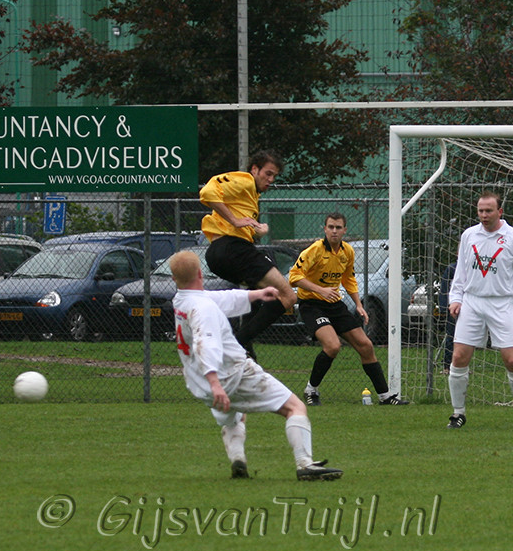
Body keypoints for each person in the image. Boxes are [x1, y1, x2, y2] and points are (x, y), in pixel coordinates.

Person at [169, 250, 342, 481]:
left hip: (200, 383)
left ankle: (238, 461)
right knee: (295, 407)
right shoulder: (203, 308)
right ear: (201, 273)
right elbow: (205, 343)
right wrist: (215, 382)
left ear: (174, 279)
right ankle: (305, 464)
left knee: (235, 416)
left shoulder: (183, 300)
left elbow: (219, 299)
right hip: (231, 374)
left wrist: (256, 294)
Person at [289, 212, 409, 406]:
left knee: (365, 345)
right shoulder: (314, 250)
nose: (334, 231)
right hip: (312, 304)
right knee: (333, 346)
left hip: (334, 304)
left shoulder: (347, 251)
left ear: (345, 230)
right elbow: (294, 277)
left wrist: (359, 305)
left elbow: (348, 279)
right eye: (330, 227)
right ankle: (311, 390)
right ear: (324, 229)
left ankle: (385, 396)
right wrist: (320, 290)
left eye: (338, 227)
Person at [446, 191, 513, 429]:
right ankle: (458, 413)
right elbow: (461, 271)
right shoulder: (469, 235)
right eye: (480, 211)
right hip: (472, 301)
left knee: (512, 360)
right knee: (458, 357)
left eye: (489, 210)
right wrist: (456, 298)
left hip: (502, 303)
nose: (484, 215)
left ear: (500, 212)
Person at [199, 150, 297, 361]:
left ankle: (245, 352)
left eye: (274, 176)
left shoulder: (251, 194)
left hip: (218, 254)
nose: (271, 180)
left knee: (259, 294)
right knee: (288, 296)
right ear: (254, 169)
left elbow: (241, 223)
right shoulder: (244, 180)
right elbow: (207, 192)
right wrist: (235, 220)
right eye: (268, 174)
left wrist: (258, 230)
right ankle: (236, 344)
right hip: (232, 249)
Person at [438, 261, 457, 374]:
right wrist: (444, 307)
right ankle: (447, 366)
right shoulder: (452, 268)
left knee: (465, 338)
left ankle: (461, 365)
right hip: (453, 308)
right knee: (451, 335)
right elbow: (444, 289)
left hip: (468, 307)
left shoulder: (472, 267)